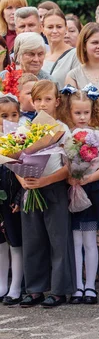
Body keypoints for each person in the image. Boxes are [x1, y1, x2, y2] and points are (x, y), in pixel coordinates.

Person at [18, 80, 74, 309]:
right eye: (38, 99)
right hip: (30, 189)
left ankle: (59, 290)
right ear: (32, 101)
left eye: (48, 99)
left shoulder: (62, 129)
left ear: (57, 101)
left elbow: (71, 166)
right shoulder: (25, 129)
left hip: (53, 188)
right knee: (32, 239)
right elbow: (14, 157)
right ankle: (35, 289)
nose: (43, 104)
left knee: (58, 239)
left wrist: (45, 180)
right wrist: (23, 179)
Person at [59, 86, 99, 305]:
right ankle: (77, 286)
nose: (82, 117)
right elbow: (61, 162)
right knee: (74, 240)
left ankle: (90, 286)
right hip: (71, 189)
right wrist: (70, 176)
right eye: (77, 113)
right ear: (69, 112)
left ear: (92, 112)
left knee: (90, 240)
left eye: (85, 113)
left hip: (91, 188)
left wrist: (88, 178)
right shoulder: (65, 135)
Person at [0, 95, 24, 305]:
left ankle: (16, 286)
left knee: (16, 243)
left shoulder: (23, 139)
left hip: (12, 202)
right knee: (0, 244)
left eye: (14, 114)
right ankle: (2, 285)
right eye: (4, 115)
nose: (9, 119)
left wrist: (18, 197)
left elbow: (24, 174)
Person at [41, 9, 79, 88]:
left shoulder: (75, 55)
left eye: (59, 27)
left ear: (66, 29)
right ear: (43, 29)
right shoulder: (40, 56)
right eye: (50, 27)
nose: (55, 31)